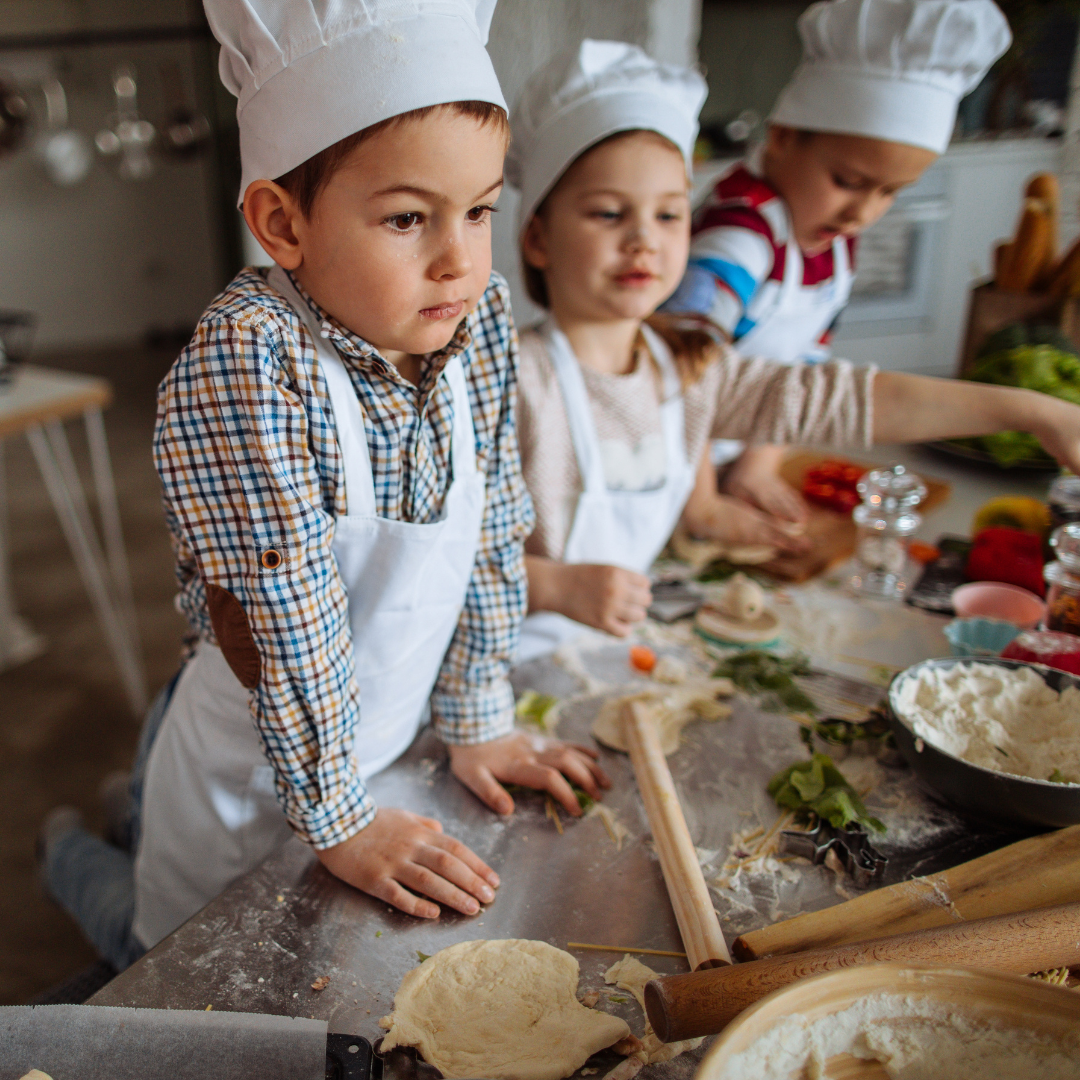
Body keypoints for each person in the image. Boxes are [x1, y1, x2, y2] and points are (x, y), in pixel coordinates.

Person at [39, 0, 608, 970]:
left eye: (479, 210)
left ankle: (115, 807)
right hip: (250, 769)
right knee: (159, 949)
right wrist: (341, 820)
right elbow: (286, 612)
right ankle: (64, 848)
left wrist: (477, 719)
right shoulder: (252, 360)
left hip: (372, 750)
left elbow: (491, 529)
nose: (459, 259)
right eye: (406, 218)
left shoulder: (473, 321)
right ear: (282, 222)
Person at [509, 38, 1080, 662]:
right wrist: (555, 584)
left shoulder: (687, 368)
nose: (644, 240)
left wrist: (1030, 411)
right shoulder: (513, 379)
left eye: (670, 216)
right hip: (496, 669)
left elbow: (851, 399)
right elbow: (446, 561)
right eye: (608, 213)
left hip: (602, 653)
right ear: (538, 237)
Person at [665, 0, 1012, 528]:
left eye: (890, 192)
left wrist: (758, 466)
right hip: (671, 468)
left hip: (723, 458)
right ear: (782, 137)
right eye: (848, 182)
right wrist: (705, 506)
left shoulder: (831, 241)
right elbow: (674, 378)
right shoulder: (740, 234)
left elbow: (804, 364)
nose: (862, 212)